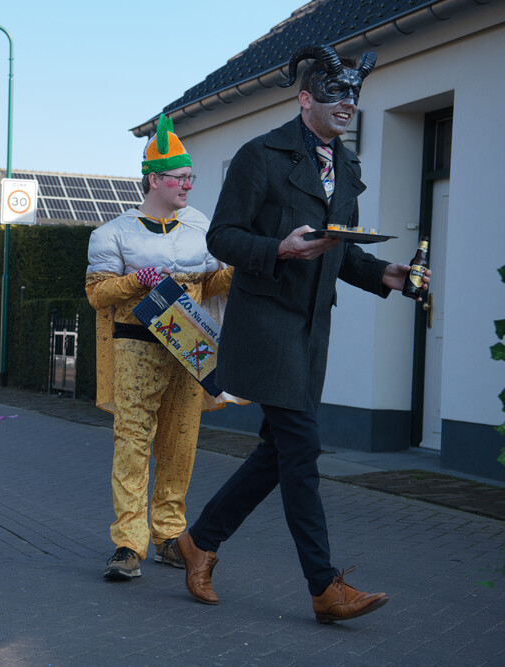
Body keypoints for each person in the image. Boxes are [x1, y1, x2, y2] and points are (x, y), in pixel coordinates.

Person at [171, 45, 430, 624]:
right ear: (305, 98)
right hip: (266, 323)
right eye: (335, 94)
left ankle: (199, 541)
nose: (348, 104)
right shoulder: (259, 155)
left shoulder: (348, 166)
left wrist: (386, 275)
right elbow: (221, 237)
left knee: (278, 451)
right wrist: (278, 249)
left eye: (354, 95)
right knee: (303, 448)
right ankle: (323, 587)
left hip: (313, 329)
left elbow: (338, 247)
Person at [85, 115, 235, 580]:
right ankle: (129, 544)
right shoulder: (112, 233)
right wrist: (137, 281)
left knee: (180, 442)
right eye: (180, 177)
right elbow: (97, 294)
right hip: (137, 347)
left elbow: (211, 284)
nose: (188, 185)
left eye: (191, 177)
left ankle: (169, 536)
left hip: (190, 344)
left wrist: (242, 270)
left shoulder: (201, 226)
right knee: (132, 442)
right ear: (154, 180)